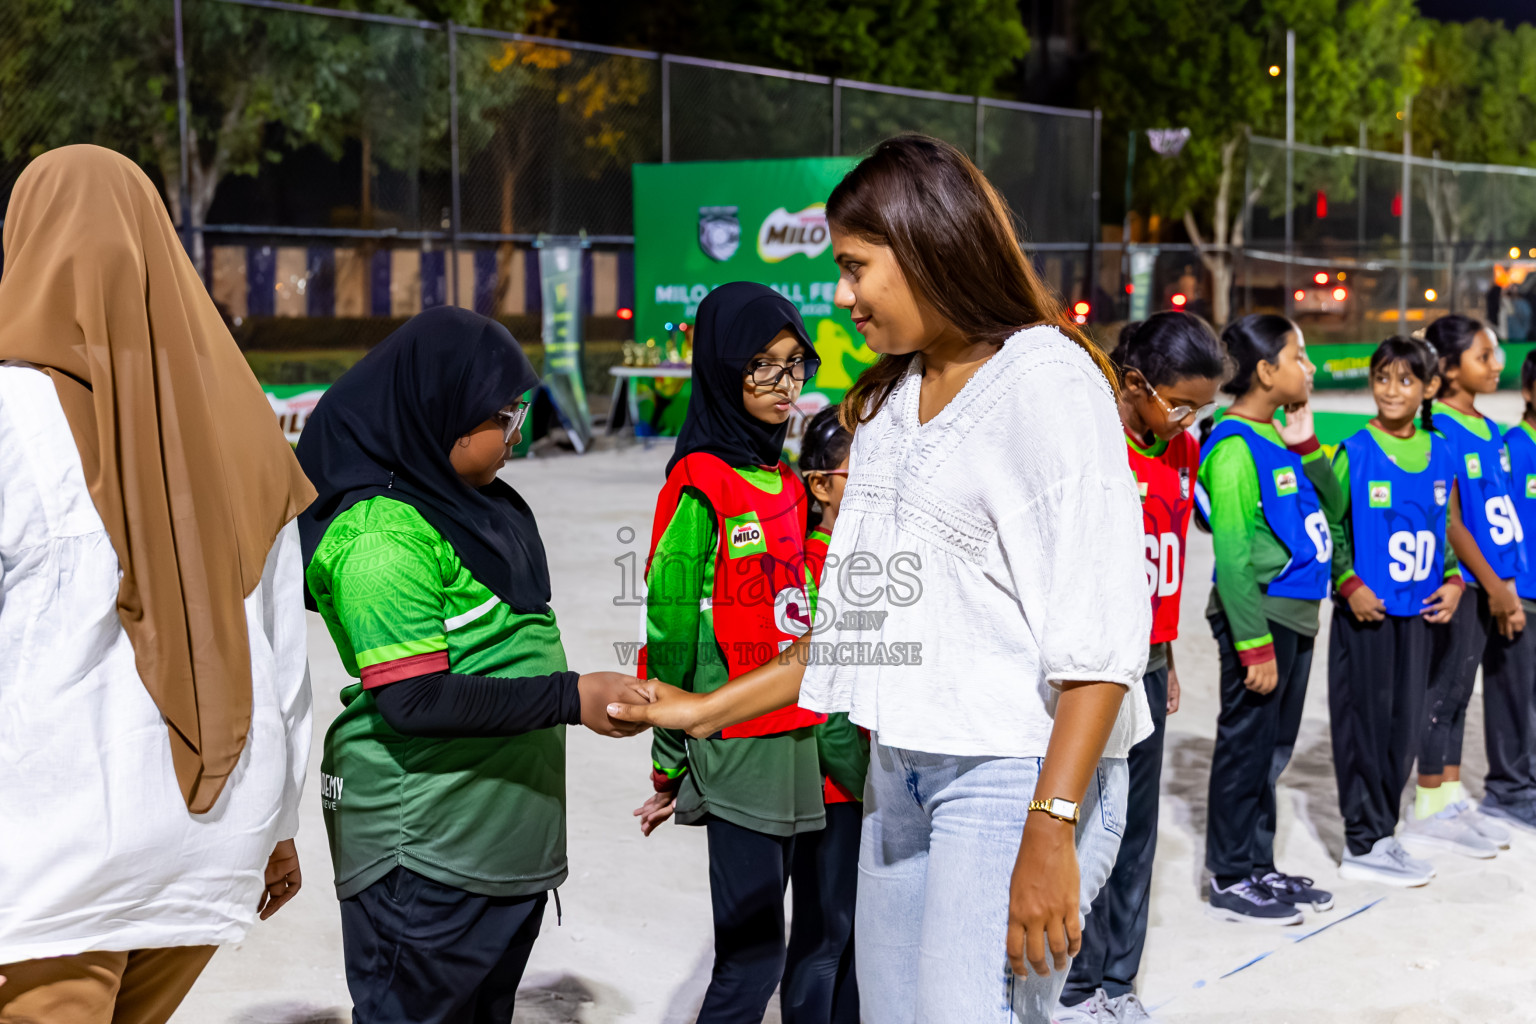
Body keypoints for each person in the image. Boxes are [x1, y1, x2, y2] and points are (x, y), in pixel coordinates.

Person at [610, 134, 1152, 1024]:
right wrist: (697, 711)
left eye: (857, 267)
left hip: (1013, 773)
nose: (842, 294)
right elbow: (860, 624)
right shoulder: (897, 402)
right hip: (899, 770)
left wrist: (1052, 826)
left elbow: (1100, 635)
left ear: (931, 246)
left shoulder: (1046, 381)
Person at [0, 146, 315, 1021]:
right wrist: (281, 826)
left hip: (51, 836)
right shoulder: (247, 426)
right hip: (213, 828)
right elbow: (285, 657)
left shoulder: (8, 413)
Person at [295, 306, 648, 1024]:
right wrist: (570, 696)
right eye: (504, 415)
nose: (517, 433)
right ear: (440, 413)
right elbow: (414, 700)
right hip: (424, 861)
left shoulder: (469, 507)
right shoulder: (381, 537)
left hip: (494, 851)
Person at [630, 282, 827, 1024]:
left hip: (794, 736)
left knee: (788, 943)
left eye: (793, 364)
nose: (785, 385)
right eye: (763, 368)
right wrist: (668, 758)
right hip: (738, 743)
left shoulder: (781, 475)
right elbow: (670, 632)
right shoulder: (699, 486)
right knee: (750, 960)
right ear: (719, 369)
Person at [1057, 312, 1225, 1023]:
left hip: (1150, 662)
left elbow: (1169, 561)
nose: (1189, 420)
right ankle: (1069, 982)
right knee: (1078, 823)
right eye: (1180, 403)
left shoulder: (1181, 450)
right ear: (1134, 384)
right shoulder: (1090, 445)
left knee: (1133, 828)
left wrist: (1169, 651)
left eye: (1201, 408)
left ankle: (1116, 984)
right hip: (1090, 664)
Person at [1196, 314, 1340, 925]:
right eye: (1298, 356)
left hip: (1297, 613)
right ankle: (1230, 875)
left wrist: (1307, 446)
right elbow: (1230, 556)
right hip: (1262, 617)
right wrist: (1252, 642)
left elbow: (1334, 508)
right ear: (1265, 371)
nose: (1309, 367)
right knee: (1245, 747)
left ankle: (1258, 865)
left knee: (1272, 751)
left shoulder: (1277, 437)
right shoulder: (1232, 447)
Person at [1327, 337, 1463, 887]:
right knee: (1365, 727)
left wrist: (1453, 579)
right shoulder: (1354, 451)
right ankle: (1362, 841)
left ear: (1429, 388)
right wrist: (1348, 581)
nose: (1390, 390)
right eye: (1382, 378)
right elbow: (1332, 528)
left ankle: (1383, 834)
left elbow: (1443, 528)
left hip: (1419, 616)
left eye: (1405, 380)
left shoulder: (1441, 451)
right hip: (1369, 616)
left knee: (1402, 729)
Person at [1409, 315, 1520, 855]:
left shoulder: (1488, 426)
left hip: (1491, 580)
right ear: (1449, 369)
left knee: (1460, 690)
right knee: (1444, 690)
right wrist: (1492, 583)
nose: (1496, 364)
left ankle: (1448, 796)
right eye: (1484, 355)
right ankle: (1429, 801)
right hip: (1468, 582)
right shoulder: (1441, 430)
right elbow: (1451, 520)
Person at [781, 404, 865, 1024]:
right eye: (857, 471)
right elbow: (827, 707)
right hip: (839, 787)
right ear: (820, 485)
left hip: (861, 778)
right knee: (826, 935)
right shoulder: (814, 571)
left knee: (858, 936)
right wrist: (871, 784)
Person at [1481, 349, 1536, 831]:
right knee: (1513, 694)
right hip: (1522, 595)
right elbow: (1498, 521)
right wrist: (1505, 590)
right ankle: (1509, 790)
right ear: (1528, 392)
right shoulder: (1513, 447)